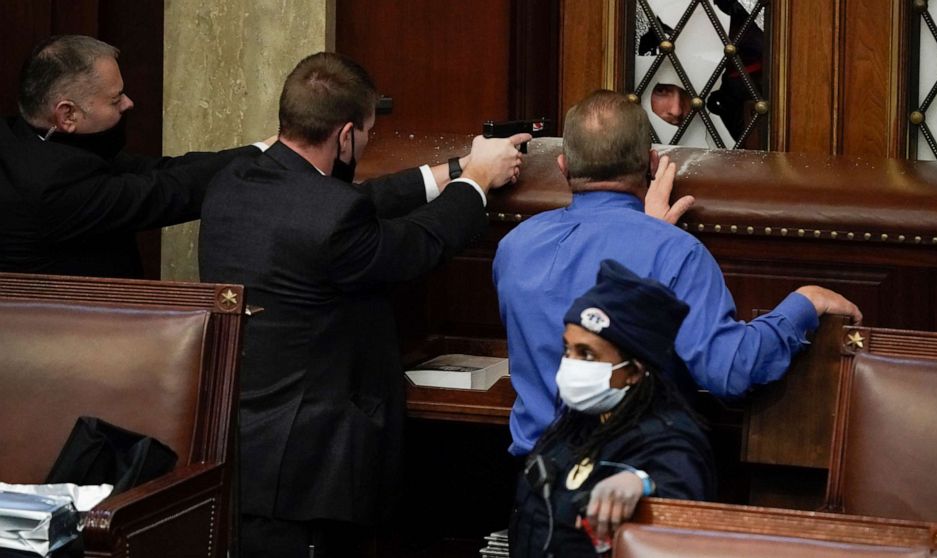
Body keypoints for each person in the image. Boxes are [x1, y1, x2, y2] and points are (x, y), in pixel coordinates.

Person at [197, 52, 529, 557]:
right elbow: (415, 245)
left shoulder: (235, 181)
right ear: (346, 135)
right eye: (369, 133)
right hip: (311, 468)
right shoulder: (331, 216)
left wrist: (456, 168)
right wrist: (476, 184)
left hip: (240, 447)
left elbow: (353, 202)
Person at [493, 89, 862, 458]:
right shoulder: (674, 252)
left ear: (563, 166)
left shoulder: (514, 247)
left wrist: (648, 233)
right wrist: (803, 305)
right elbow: (730, 371)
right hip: (636, 488)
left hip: (536, 486)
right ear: (653, 164)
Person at [0, 35, 264, 278]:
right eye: (115, 100)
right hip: (72, 326)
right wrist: (274, 155)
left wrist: (261, 149)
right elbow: (166, 192)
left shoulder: (30, 138)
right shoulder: (51, 186)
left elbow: (158, 170)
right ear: (68, 115)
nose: (128, 103)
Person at [510, 259, 716, 557]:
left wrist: (642, 483)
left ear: (633, 371)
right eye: (568, 349)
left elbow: (680, 494)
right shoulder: (579, 422)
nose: (571, 365)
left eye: (588, 355)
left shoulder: (671, 440)